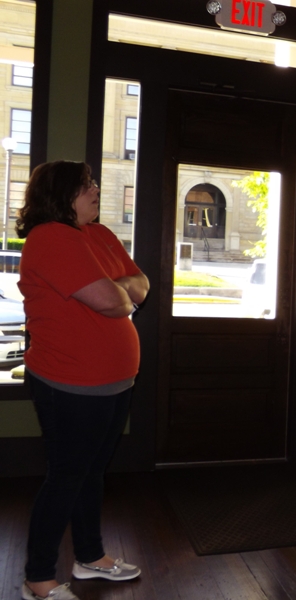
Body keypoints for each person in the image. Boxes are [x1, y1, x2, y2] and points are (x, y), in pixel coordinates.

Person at [16, 161, 149, 600]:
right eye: (86, 184)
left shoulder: (101, 234)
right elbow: (115, 302)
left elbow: (141, 286)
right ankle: (38, 577)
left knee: (91, 472)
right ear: (61, 194)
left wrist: (118, 288)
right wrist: (118, 290)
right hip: (68, 383)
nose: (96, 189)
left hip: (115, 381)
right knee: (67, 476)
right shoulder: (50, 237)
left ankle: (90, 557)